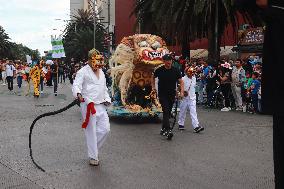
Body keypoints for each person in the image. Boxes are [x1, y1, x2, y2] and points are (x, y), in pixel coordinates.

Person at [72, 48, 111, 166]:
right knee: (91, 132)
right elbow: (76, 85)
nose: (97, 63)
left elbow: (104, 88)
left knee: (105, 130)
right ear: (89, 60)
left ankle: (93, 149)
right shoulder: (83, 71)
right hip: (88, 105)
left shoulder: (102, 72)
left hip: (101, 105)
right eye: (95, 60)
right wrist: (78, 94)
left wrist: (107, 99)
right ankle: (93, 156)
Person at [151, 54, 184, 140]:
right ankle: (168, 130)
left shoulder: (176, 70)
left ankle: (163, 128)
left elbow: (181, 82)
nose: (169, 62)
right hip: (162, 94)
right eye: (167, 60)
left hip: (172, 94)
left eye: (170, 60)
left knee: (168, 112)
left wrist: (181, 92)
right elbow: (153, 77)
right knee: (165, 111)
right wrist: (153, 87)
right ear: (164, 61)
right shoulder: (159, 70)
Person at [178, 67, 204, 133]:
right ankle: (181, 123)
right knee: (182, 111)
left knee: (193, 112)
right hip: (184, 98)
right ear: (186, 72)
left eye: (192, 73)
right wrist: (183, 92)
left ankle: (196, 126)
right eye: (190, 72)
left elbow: (194, 87)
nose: (191, 74)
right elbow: (179, 87)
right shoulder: (182, 79)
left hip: (192, 98)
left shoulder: (194, 79)